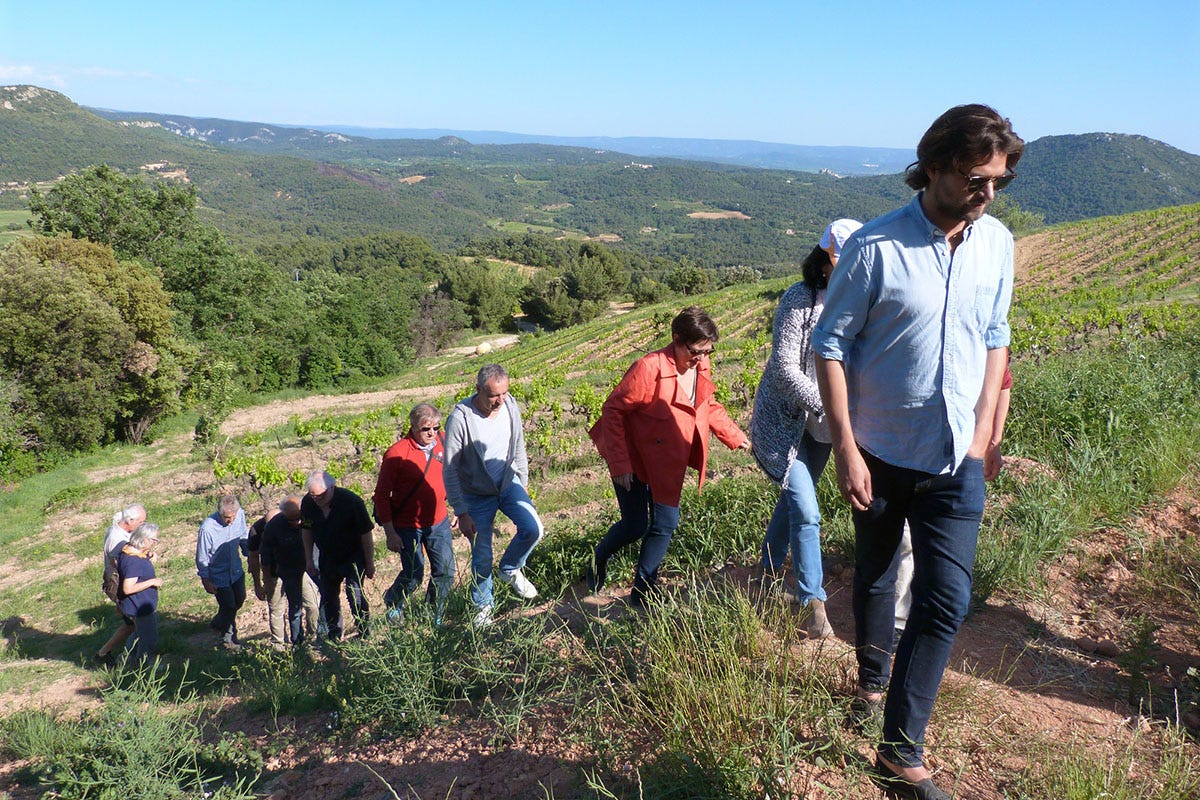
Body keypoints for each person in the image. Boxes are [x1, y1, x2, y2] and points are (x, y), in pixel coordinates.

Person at [813, 104, 1023, 798]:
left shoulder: (998, 245)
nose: (986, 193)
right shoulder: (877, 249)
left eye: (997, 180)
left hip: (958, 456)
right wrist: (844, 445)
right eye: (973, 177)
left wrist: (988, 431)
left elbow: (996, 336)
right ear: (932, 166)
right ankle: (872, 679)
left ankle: (899, 752)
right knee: (875, 573)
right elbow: (831, 345)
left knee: (946, 598)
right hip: (880, 449)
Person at [588, 306, 750, 606]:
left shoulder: (700, 365)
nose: (701, 358)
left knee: (665, 523)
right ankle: (598, 558)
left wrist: (735, 436)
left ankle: (642, 591)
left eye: (707, 352)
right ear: (676, 338)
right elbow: (613, 411)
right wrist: (620, 463)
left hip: (665, 460)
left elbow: (707, 404)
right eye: (695, 351)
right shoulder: (649, 368)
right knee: (635, 525)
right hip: (635, 458)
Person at [751, 220, 861, 638]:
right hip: (785, 426)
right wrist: (829, 408)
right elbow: (784, 370)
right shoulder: (800, 300)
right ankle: (813, 606)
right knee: (808, 511)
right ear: (826, 259)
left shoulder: (859, 300)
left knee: (794, 501)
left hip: (823, 430)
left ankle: (764, 572)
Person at [894, 368, 1013, 635]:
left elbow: (1003, 382)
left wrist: (994, 440)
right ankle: (898, 619)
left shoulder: (988, 332)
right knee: (906, 538)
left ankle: (931, 608)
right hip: (913, 441)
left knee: (938, 536)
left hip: (962, 452)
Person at [444, 364, 544, 628]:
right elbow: (451, 468)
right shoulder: (460, 419)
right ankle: (483, 605)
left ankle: (510, 568)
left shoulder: (510, 405)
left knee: (534, 529)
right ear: (478, 390)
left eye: (504, 393)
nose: (500, 400)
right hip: (476, 494)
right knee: (482, 553)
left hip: (508, 483)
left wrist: (522, 482)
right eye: (493, 396)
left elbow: (518, 445)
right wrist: (461, 510)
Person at [373, 403, 456, 625]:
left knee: (446, 571)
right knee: (413, 575)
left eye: (435, 428)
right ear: (413, 427)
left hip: (438, 521)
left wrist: (458, 506)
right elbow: (381, 495)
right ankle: (393, 601)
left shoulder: (443, 441)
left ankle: (431, 614)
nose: (432, 433)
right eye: (426, 429)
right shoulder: (397, 454)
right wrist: (391, 533)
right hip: (407, 525)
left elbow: (454, 475)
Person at [302, 470, 375, 641]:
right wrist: (308, 559)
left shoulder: (351, 501)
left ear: (332, 487)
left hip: (353, 555)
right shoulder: (308, 503)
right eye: (314, 496)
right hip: (327, 556)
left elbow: (366, 534)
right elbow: (307, 531)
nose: (317, 500)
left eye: (321, 495)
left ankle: (364, 632)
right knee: (329, 597)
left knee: (355, 593)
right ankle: (334, 634)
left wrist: (370, 562)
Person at [260, 495, 322, 647]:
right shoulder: (274, 527)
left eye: (298, 518)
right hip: (287, 570)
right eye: (292, 520)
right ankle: (297, 643)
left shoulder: (308, 518)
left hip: (307, 567)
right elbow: (265, 557)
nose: (297, 523)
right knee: (294, 607)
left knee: (313, 604)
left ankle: (313, 637)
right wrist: (266, 581)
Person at [196, 494, 249, 649]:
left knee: (240, 599)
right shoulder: (208, 528)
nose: (230, 521)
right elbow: (202, 556)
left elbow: (243, 534)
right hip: (218, 575)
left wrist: (249, 552)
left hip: (236, 570)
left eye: (233, 517)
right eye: (226, 517)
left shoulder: (240, 515)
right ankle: (229, 638)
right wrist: (205, 579)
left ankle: (219, 622)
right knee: (229, 605)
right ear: (219, 513)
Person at [95, 503, 146, 665]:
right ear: (129, 520)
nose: (141, 526)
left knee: (130, 625)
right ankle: (133, 659)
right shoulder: (117, 539)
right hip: (122, 586)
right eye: (140, 522)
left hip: (118, 586)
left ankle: (103, 653)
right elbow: (125, 563)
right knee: (141, 625)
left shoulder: (117, 530)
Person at [116, 522, 163, 666]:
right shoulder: (133, 562)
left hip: (135, 605)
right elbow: (128, 588)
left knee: (138, 634)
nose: (155, 543)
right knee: (148, 637)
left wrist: (147, 555)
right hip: (140, 606)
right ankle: (144, 665)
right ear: (144, 540)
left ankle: (125, 659)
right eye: (154, 540)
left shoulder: (128, 550)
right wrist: (152, 582)